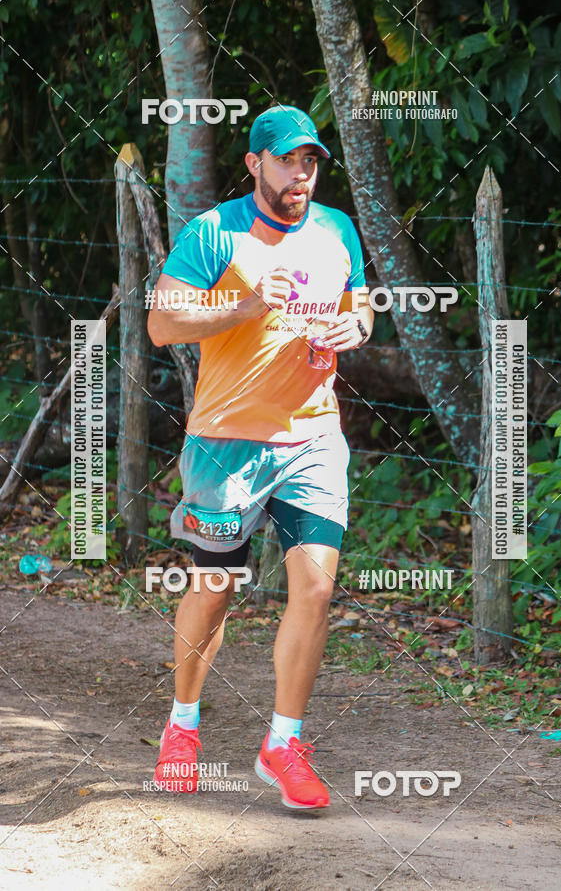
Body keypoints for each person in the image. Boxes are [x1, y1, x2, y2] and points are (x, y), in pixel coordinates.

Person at [147, 104, 373, 809]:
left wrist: (354, 327)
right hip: (226, 444)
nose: (300, 174)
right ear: (255, 164)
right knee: (215, 588)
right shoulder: (215, 233)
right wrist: (239, 309)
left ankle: (283, 744)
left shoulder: (336, 230)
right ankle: (181, 727)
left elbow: (361, 305)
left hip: (312, 437)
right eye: (287, 160)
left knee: (314, 588)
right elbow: (161, 322)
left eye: (310, 162)